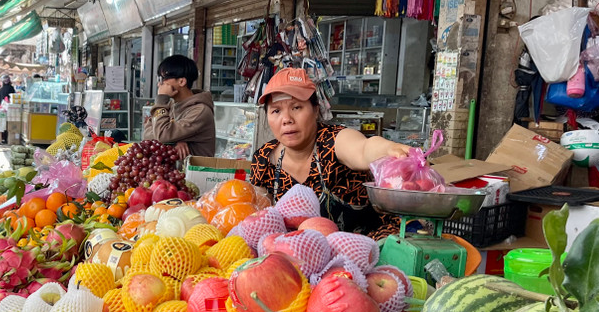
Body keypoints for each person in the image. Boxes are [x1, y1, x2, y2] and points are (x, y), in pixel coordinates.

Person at [251, 68, 410, 238]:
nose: (286, 119)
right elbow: (262, 217)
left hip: (369, 247)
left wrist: (389, 150)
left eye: (296, 107)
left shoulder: (333, 140)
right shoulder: (264, 159)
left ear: (316, 110)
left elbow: (363, 148)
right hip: (303, 254)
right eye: (276, 111)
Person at [142, 55, 215, 158]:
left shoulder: (200, 111)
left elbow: (162, 134)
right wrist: (174, 141)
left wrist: (161, 98)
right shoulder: (171, 105)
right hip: (176, 171)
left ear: (181, 81)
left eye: (164, 78)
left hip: (196, 172)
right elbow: (147, 134)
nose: (160, 84)